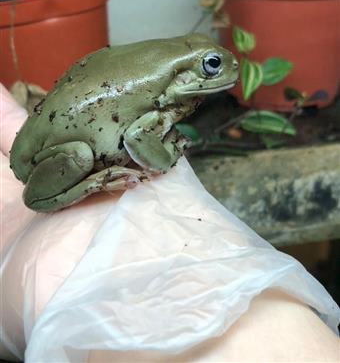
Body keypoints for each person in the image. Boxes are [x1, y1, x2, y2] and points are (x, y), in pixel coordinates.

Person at [1, 83, 339, 363]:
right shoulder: (156, 104)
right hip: (72, 153)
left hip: (74, 138)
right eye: (209, 67)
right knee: (80, 157)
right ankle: (89, 179)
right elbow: (137, 138)